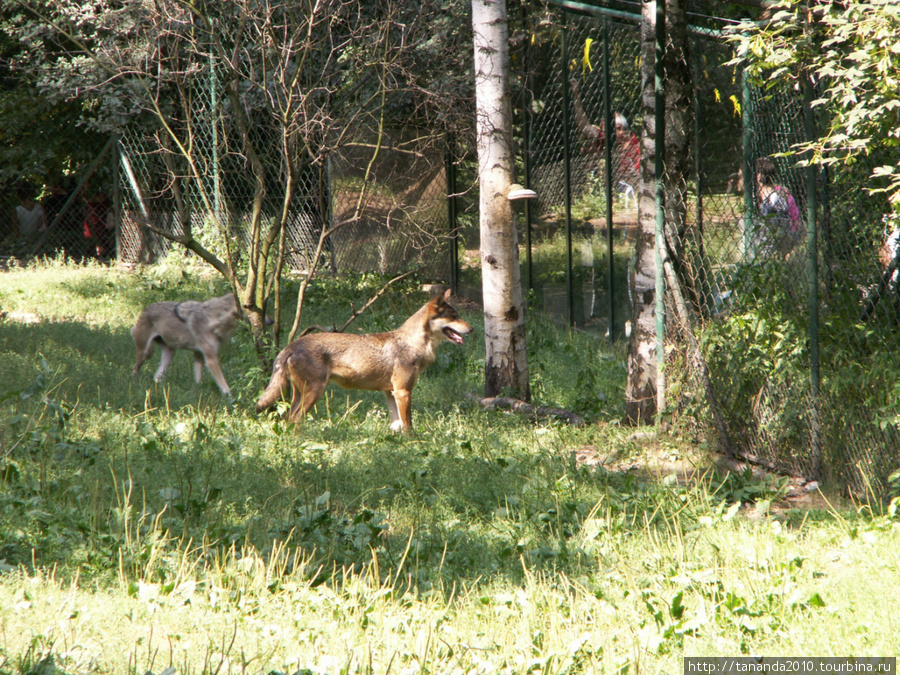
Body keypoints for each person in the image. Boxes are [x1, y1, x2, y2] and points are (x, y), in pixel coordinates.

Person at [752, 157, 802, 258]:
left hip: (788, 232)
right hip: (783, 230)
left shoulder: (776, 194)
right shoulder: (760, 193)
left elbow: (778, 218)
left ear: (758, 176)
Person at [83, 184, 114, 260]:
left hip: (100, 224)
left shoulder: (103, 202)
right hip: (94, 224)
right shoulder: (90, 202)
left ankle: (100, 252)